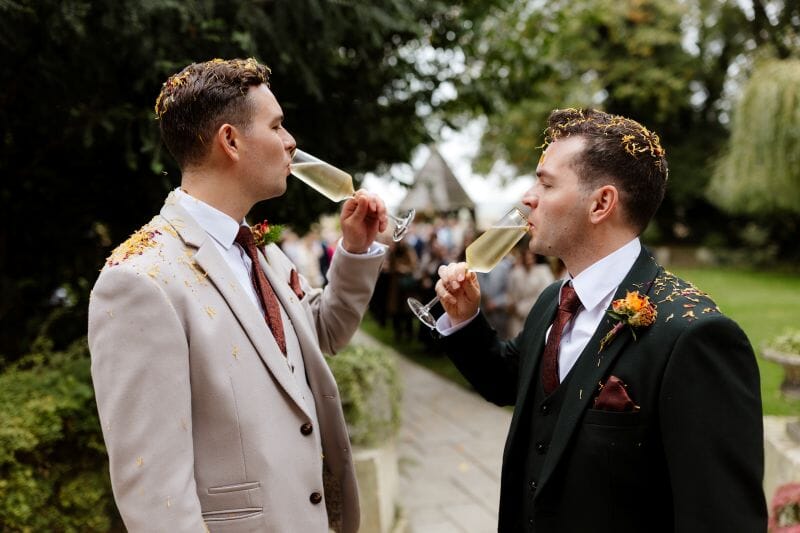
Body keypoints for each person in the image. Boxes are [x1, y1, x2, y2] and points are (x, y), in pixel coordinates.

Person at [88, 58, 388, 533]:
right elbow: (154, 494)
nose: (291, 142)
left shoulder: (262, 251)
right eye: (278, 125)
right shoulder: (139, 279)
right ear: (231, 140)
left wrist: (355, 250)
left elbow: (324, 333)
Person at [432, 108, 766, 532]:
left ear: (601, 203)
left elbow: (722, 518)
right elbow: (507, 381)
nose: (527, 198)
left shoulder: (694, 336)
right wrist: (464, 321)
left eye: (546, 182)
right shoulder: (554, 299)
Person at [506, 248, 554, 337]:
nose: (528, 259)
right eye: (526, 256)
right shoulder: (515, 273)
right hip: (516, 318)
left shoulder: (543, 271)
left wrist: (521, 308)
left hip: (536, 313)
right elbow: (510, 294)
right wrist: (511, 305)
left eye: (531, 257)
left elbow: (544, 294)